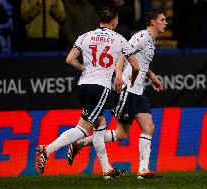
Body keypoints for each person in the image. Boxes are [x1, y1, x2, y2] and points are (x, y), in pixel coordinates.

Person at [35, 5, 140, 180]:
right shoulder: (120, 39)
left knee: (99, 124)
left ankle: (107, 170)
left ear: (100, 20)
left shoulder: (85, 36)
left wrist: (84, 69)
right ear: (115, 21)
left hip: (83, 85)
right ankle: (47, 149)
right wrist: (132, 79)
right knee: (83, 130)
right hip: (100, 87)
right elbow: (135, 66)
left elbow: (69, 59)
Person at [67, 9, 166, 180]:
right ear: (152, 22)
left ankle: (143, 170)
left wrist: (152, 76)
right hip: (127, 89)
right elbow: (123, 53)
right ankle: (80, 142)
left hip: (138, 91)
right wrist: (118, 75)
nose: (166, 23)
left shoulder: (150, 40)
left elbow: (140, 62)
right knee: (121, 134)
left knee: (148, 127)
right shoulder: (141, 37)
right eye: (162, 20)